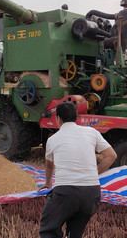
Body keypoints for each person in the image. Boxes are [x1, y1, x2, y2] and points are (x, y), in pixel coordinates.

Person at [38, 102, 117, 238]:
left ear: (58, 119)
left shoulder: (53, 139)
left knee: (48, 229)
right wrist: (93, 173)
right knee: (74, 233)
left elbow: (49, 165)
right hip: (92, 195)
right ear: (76, 117)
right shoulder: (92, 132)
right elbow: (111, 156)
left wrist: (48, 182)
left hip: (66, 193)